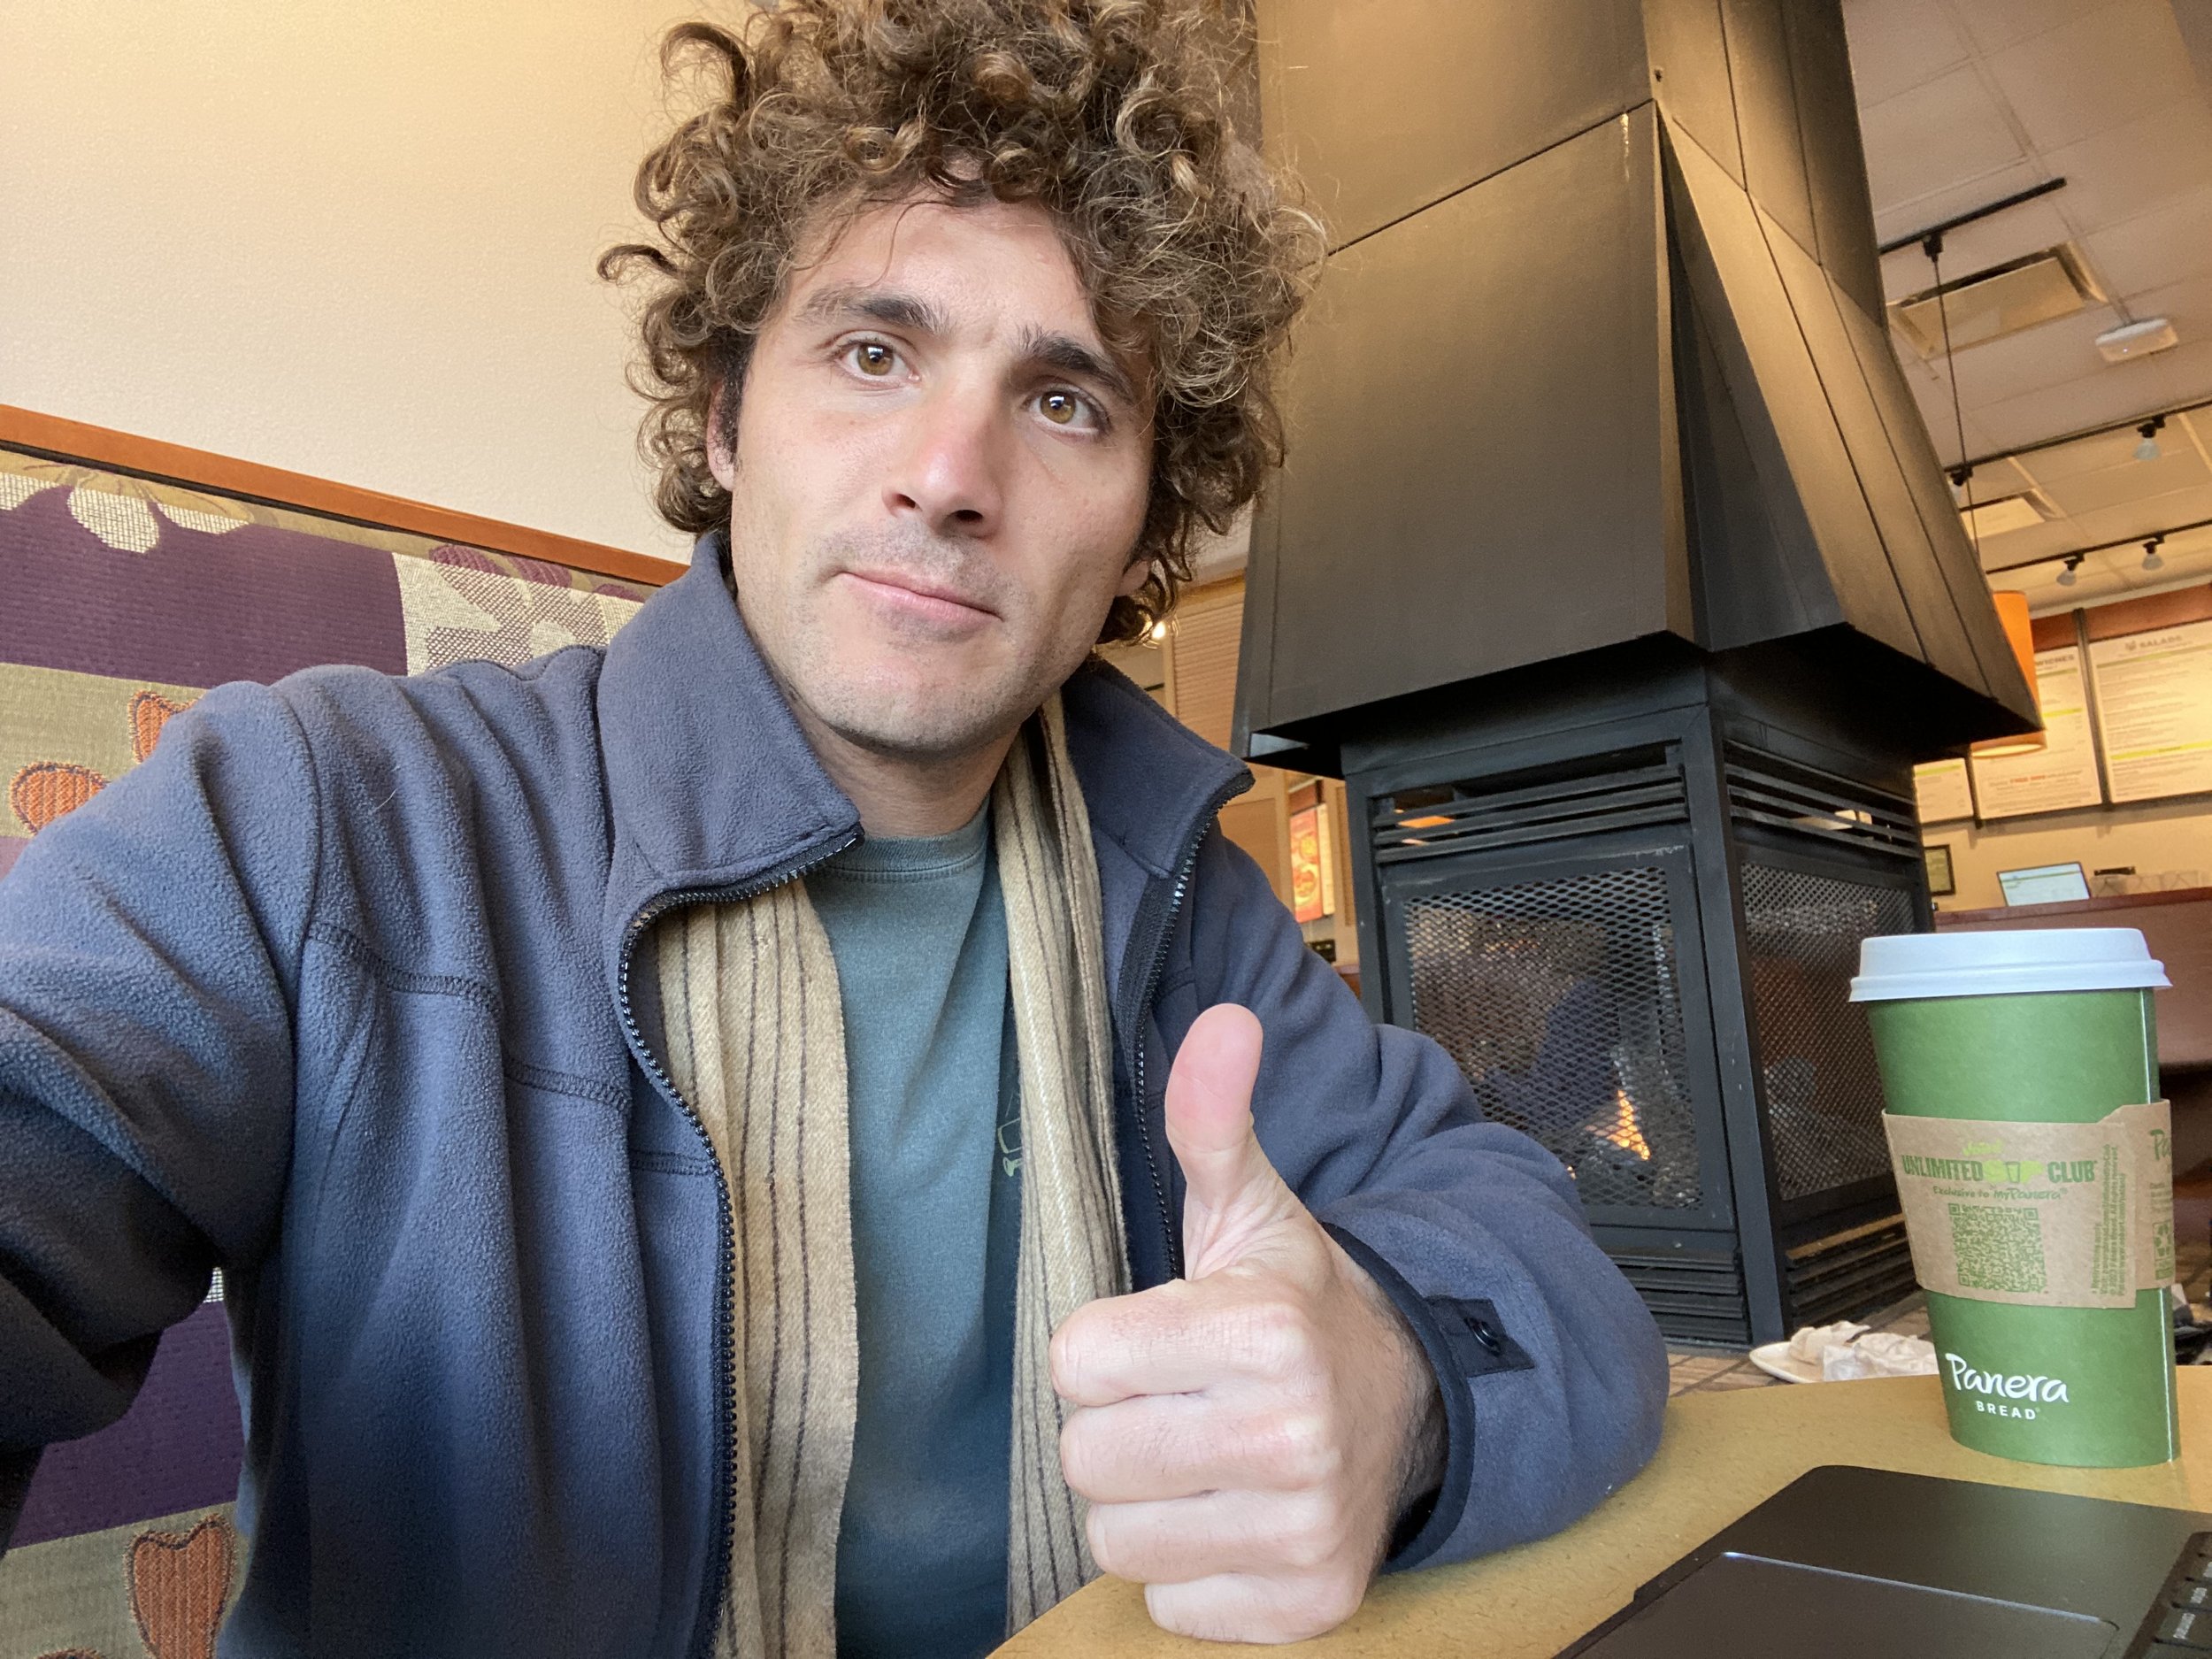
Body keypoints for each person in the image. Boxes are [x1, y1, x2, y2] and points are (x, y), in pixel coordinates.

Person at [0, 3, 1668, 1655]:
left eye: (1067, 402)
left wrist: (1396, 1384)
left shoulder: (1182, 895)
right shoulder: (320, 818)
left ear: (1142, 532)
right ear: (724, 421)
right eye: (873, 353)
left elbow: (1536, 1252)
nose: (949, 473)